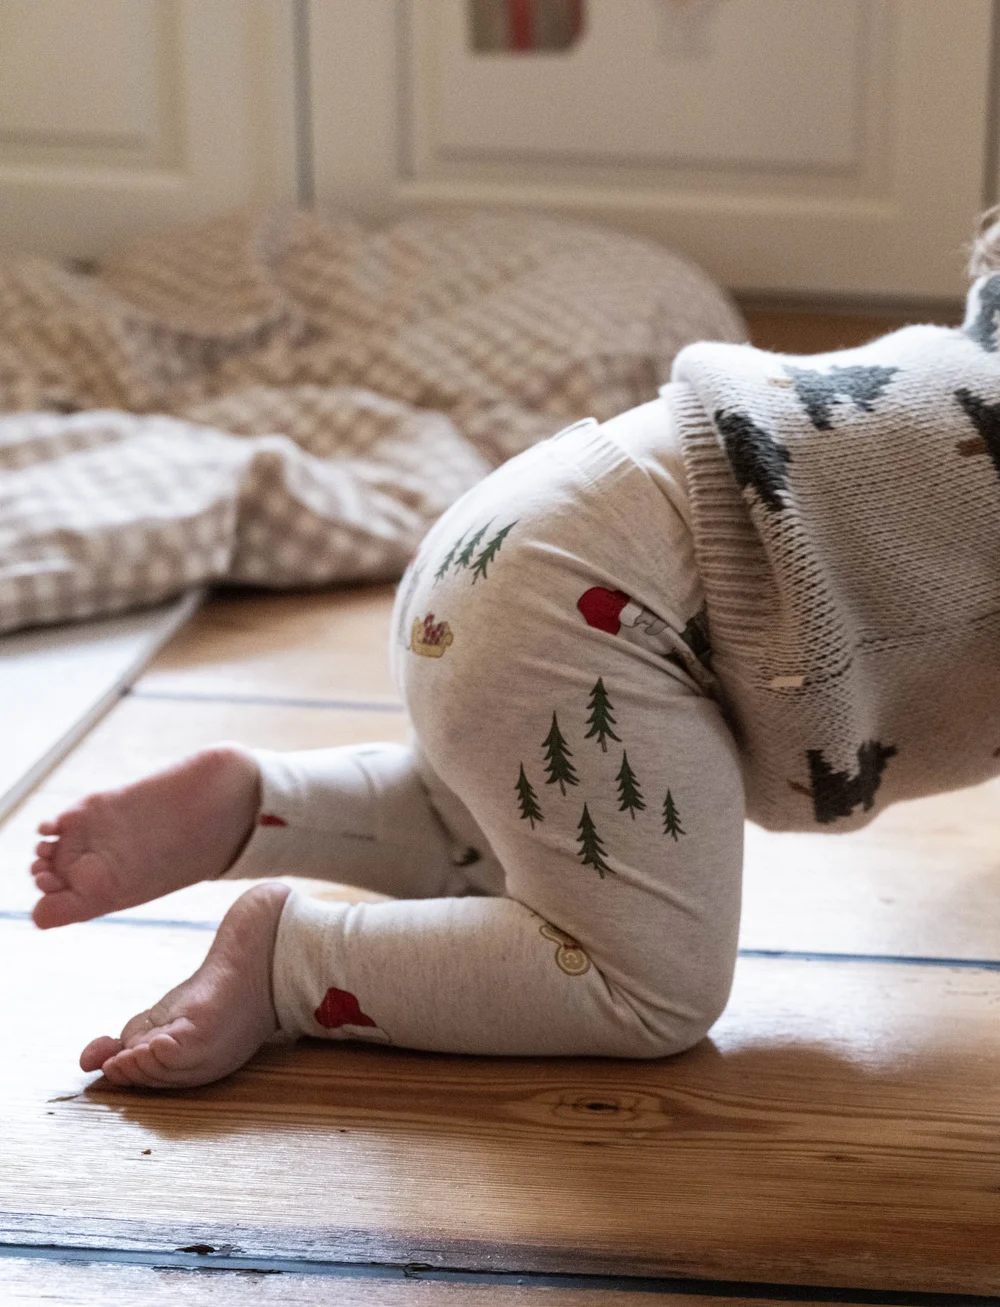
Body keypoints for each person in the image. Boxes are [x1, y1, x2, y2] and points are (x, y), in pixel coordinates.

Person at [30, 216, 1000, 1090]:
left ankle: (269, 803)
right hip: (599, 608)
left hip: (524, 529)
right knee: (648, 984)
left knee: (507, 831)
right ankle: (292, 959)